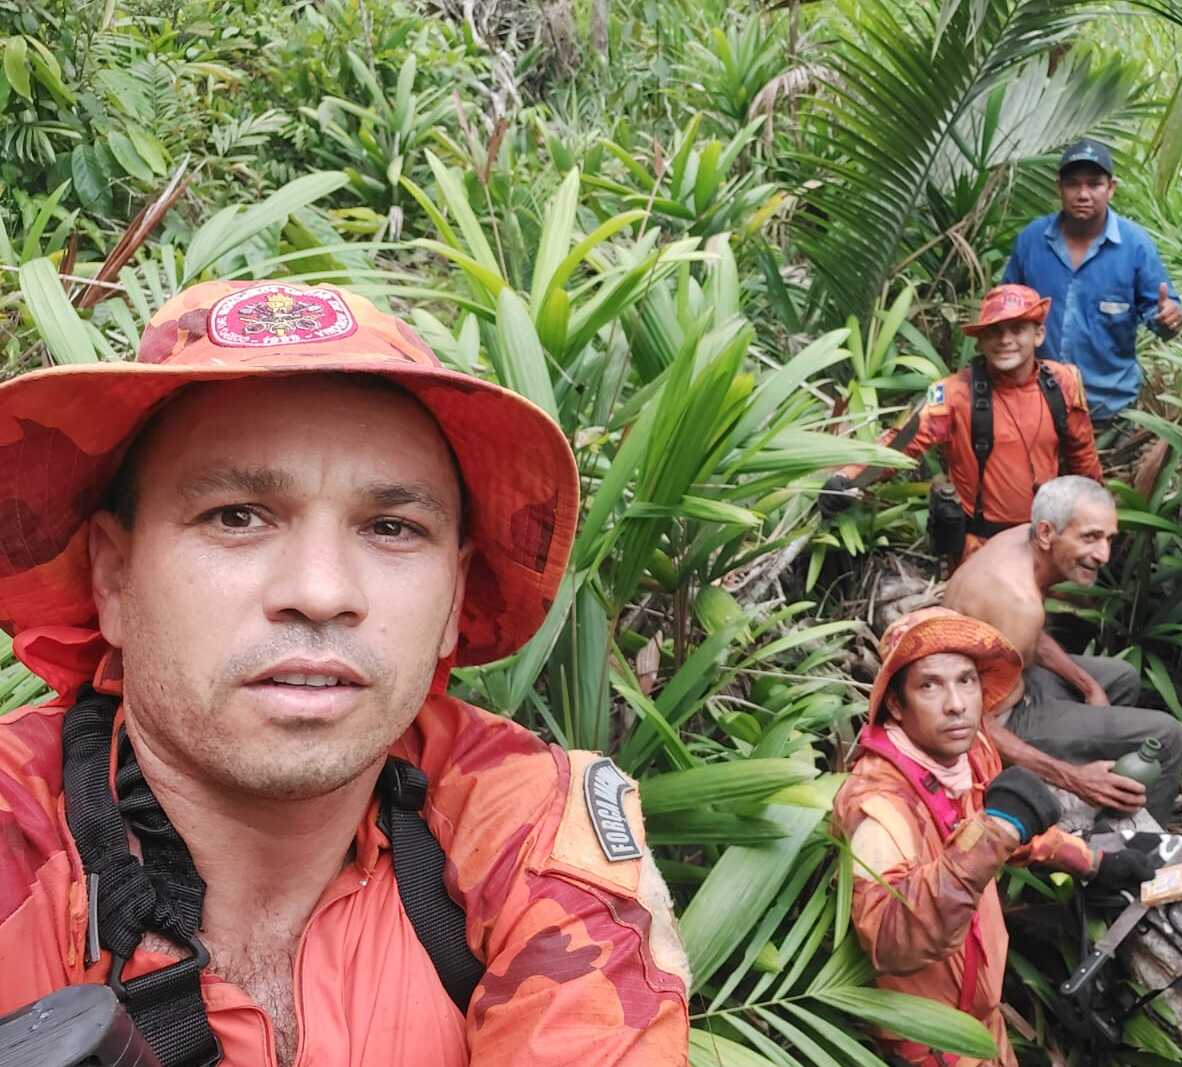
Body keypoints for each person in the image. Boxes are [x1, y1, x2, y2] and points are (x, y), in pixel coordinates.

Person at [0, 281, 690, 1066]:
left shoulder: (518, 826)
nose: (321, 591)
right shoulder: (17, 840)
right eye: (236, 515)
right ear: (114, 577)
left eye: (392, 527)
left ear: (455, 594)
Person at [834, 607, 1156, 1067]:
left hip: (982, 1019)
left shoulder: (971, 753)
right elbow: (892, 939)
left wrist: (1093, 862)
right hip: (928, 1042)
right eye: (930, 685)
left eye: (966, 680)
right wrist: (994, 832)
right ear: (896, 706)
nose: (956, 703)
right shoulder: (880, 806)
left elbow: (1011, 836)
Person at [942, 476, 1182, 823]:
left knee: (1123, 678)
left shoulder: (1016, 541)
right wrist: (1072, 778)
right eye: (1090, 537)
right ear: (1046, 533)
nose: (1103, 555)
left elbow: (1025, 637)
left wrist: (1089, 686)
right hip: (1002, 723)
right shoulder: (1017, 602)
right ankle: (1134, 840)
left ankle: (1105, 802)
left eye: (1108, 539)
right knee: (1167, 736)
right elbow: (970, 727)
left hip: (1011, 685)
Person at [820, 284, 1102, 562]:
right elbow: (904, 441)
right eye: (994, 331)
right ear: (980, 341)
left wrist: (1095, 515)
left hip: (1047, 543)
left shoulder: (1062, 383)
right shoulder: (955, 394)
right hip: (980, 549)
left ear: (1038, 335)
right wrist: (849, 478)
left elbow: (1082, 456)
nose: (1005, 340)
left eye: (1017, 329)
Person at [1001, 138, 1182, 426]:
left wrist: (1169, 317)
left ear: (1111, 188)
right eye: (1073, 184)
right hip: (1036, 408)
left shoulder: (1134, 246)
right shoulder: (1032, 241)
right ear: (1059, 187)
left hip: (1109, 413)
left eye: (1094, 184)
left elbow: (1163, 321)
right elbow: (1006, 312)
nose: (1083, 194)